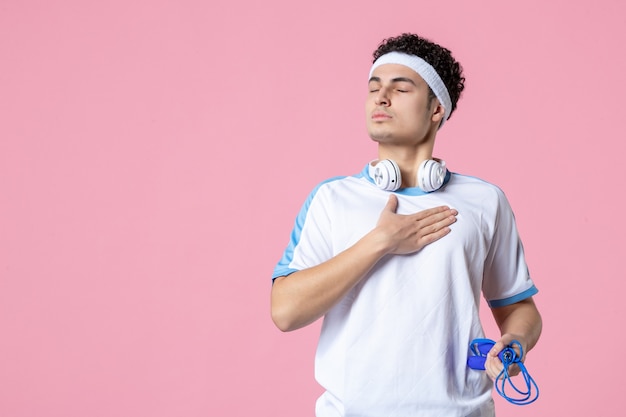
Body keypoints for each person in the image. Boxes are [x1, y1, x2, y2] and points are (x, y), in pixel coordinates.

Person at [270, 33, 542, 417]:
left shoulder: (485, 200)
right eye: (373, 88)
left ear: (436, 109)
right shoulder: (332, 199)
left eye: (400, 88)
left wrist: (515, 342)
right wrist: (380, 242)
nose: (380, 99)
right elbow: (285, 311)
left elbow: (519, 307)